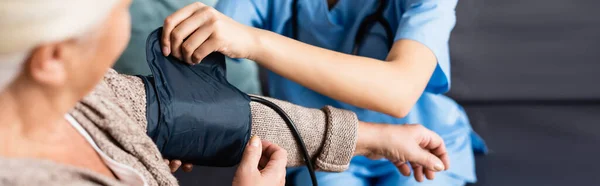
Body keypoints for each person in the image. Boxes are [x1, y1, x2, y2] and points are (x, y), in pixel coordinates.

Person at [0, 0, 451, 185]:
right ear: (52, 58)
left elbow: (399, 91)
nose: (126, 17)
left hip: (413, 132)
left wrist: (371, 137)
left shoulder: (98, 97)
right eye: (117, 8)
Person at [161, 0, 487, 185]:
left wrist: (253, 40)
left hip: (421, 138)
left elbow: (398, 93)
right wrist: (183, 124)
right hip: (317, 147)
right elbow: (201, 57)